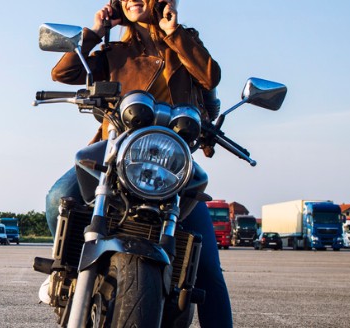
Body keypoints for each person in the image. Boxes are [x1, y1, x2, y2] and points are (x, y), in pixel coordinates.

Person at [43, 0, 231, 326]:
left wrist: (174, 32)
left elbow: (210, 77)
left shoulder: (184, 42)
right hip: (116, 150)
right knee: (58, 196)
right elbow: (64, 73)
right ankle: (69, 267)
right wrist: (95, 32)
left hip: (171, 161)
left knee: (209, 272)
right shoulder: (114, 51)